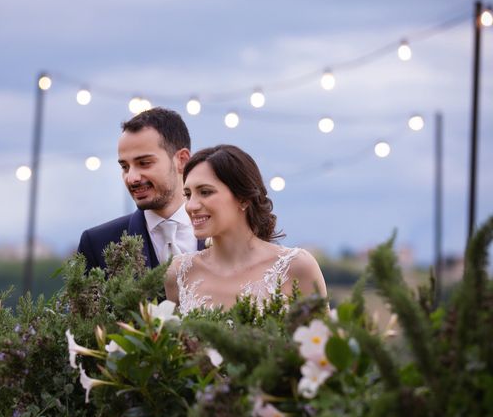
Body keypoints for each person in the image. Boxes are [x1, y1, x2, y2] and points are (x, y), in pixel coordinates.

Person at [165, 144, 327, 315]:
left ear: (243, 199)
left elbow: (322, 338)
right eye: (188, 194)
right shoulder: (179, 272)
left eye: (205, 192)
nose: (191, 206)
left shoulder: (297, 267)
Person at [78, 107, 204, 272]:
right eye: (125, 167)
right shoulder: (97, 243)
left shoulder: (224, 233)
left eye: (144, 163)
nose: (132, 178)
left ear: (182, 160)